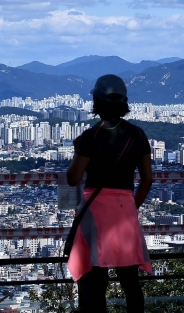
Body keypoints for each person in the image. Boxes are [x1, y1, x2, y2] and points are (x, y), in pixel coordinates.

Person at [66, 74, 153, 313]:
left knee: (96, 282)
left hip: (95, 212)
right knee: (130, 282)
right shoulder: (138, 135)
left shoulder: (89, 137)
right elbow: (147, 179)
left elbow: (72, 178)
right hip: (125, 212)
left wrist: (78, 152)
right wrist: (131, 206)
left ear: (96, 103)